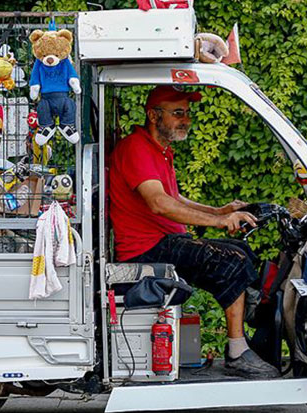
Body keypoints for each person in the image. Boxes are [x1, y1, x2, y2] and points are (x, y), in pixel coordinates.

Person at [107, 85, 280, 379]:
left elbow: (172, 196)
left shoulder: (159, 150)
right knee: (230, 261)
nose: (185, 119)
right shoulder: (136, 148)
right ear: (153, 115)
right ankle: (237, 351)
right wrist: (219, 222)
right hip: (147, 248)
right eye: (177, 113)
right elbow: (159, 203)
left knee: (242, 252)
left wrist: (219, 211)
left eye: (186, 113)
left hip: (166, 241)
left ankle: (251, 318)